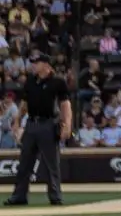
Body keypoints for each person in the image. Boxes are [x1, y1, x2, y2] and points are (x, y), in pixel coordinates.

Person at [4, 52, 71, 206]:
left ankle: (55, 196)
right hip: (32, 124)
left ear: (46, 64)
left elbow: (65, 105)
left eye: (36, 63)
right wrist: (17, 121)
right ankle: (19, 196)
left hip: (49, 123)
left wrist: (67, 124)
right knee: (24, 163)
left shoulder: (57, 82)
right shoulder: (30, 81)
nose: (33, 65)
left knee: (51, 163)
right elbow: (25, 104)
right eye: (32, 62)